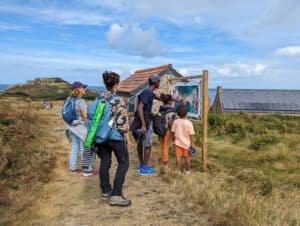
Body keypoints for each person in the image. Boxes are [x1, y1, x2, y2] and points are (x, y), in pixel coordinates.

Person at [95, 71, 131, 207]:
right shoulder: (117, 100)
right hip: (115, 136)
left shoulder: (99, 98)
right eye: (119, 82)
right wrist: (127, 138)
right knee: (124, 162)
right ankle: (116, 195)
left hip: (101, 136)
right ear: (116, 85)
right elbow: (122, 122)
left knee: (105, 161)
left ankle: (105, 190)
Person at [131, 75, 161, 176]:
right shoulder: (147, 92)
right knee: (147, 145)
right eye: (159, 81)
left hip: (141, 121)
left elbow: (159, 97)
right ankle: (144, 168)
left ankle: (141, 165)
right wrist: (144, 125)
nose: (159, 83)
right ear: (155, 82)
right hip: (145, 123)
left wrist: (175, 100)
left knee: (140, 143)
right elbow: (140, 108)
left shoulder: (148, 92)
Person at [66, 81, 88, 173]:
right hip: (80, 128)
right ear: (79, 89)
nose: (85, 89)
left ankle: (73, 168)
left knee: (74, 147)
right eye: (83, 87)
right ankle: (86, 169)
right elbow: (85, 117)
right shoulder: (81, 101)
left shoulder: (68, 99)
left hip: (71, 127)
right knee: (84, 148)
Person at [171, 105, 195, 173]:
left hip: (177, 143)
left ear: (177, 113)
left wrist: (173, 139)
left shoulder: (175, 121)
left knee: (178, 157)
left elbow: (172, 131)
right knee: (187, 157)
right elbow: (191, 135)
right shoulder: (189, 123)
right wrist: (192, 144)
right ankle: (187, 170)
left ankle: (177, 170)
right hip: (187, 144)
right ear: (187, 113)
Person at [158, 94, 176, 166]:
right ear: (169, 101)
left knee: (161, 144)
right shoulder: (171, 110)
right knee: (166, 145)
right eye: (171, 100)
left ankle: (159, 158)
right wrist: (172, 132)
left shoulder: (161, 107)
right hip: (167, 129)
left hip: (160, 128)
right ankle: (165, 161)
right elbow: (170, 121)